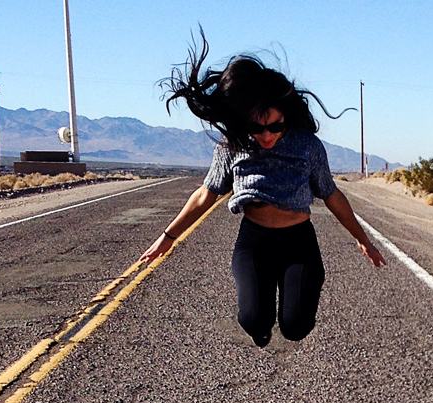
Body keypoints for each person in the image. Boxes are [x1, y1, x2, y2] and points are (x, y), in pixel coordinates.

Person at [139, 35, 385, 348]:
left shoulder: (306, 146)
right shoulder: (232, 147)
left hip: (299, 242)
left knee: (296, 327)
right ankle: (261, 326)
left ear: (286, 117)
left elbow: (332, 195)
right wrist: (167, 238)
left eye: (275, 126)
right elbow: (205, 195)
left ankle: (291, 313)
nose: (266, 135)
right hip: (255, 242)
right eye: (257, 127)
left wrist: (363, 240)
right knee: (253, 319)